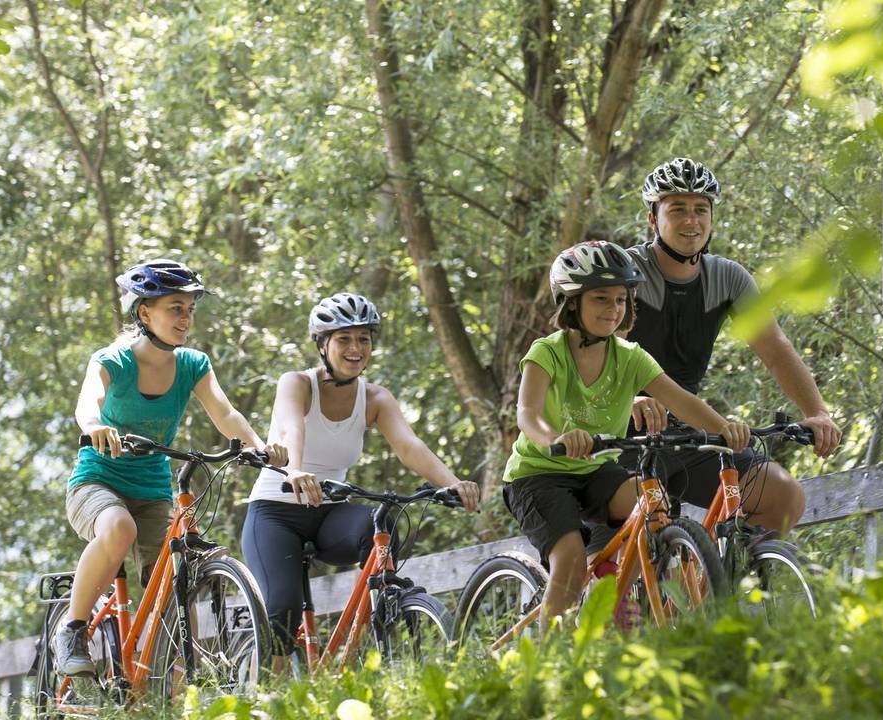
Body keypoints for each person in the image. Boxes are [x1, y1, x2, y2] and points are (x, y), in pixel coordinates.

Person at [52, 259, 287, 678]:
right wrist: (94, 425)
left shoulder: (193, 365)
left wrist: (259, 449)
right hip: (96, 483)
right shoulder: (114, 360)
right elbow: (88, 400)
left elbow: (226, 414)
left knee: (177, 578)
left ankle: (176, 681)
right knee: (119, 529)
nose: (186, 318)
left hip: (154, 490)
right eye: (175, 308)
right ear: (145, 313)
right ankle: (72, 629)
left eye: (190, 309)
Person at [504, 241, 751, 631]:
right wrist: (559, 436)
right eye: (601, 299)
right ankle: (550, 659)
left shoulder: (630, 356)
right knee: (568, 558)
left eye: (621, 299)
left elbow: (681, 401)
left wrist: (725, 429)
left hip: (595, 468)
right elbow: (527, 414)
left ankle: (618, 598)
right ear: (571, 303)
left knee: (652, 505)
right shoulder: (547, 352)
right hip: (538, 475)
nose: (613, 309)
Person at [240, 292, 480, 661]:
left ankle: (365, 642)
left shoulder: (376, 398)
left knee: (379, 528)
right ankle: (270, 692)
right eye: (344, 339)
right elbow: (290, 431)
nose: (356, 348)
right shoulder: (298, 383)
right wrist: (296, 468)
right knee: (282, 610)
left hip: (329, 513)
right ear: (322, 344)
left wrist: (452, 482)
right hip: (276, 511)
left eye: (363, 339)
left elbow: (410, 446)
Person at [617, 157, 842, 538]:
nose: (692, 221)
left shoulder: (728, 278)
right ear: (654, 219)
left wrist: (817, 412)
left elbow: (775, 350)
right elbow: (593, 353)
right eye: (678, 210)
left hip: (688, 434)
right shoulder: (626, 272)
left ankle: (716, 591)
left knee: (783, 497)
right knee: (637, 548)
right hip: (620, 435)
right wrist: (628, 400)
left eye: (701, 210)